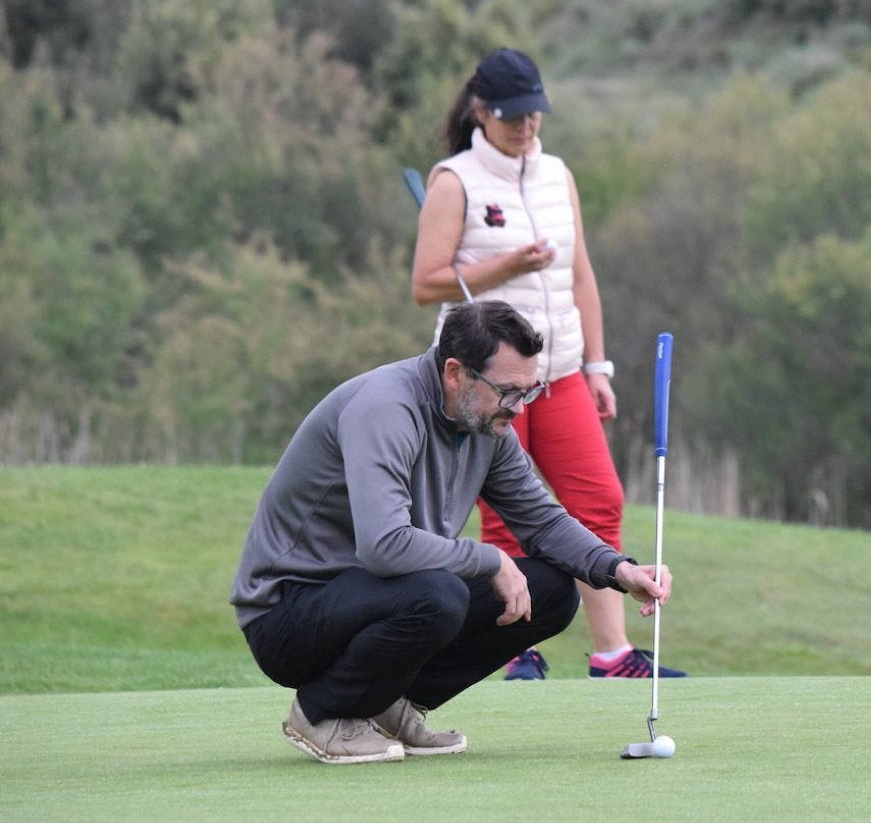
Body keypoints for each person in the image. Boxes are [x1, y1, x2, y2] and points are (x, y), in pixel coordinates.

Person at [229, 301, 673, 764]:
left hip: (376, 598)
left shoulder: (488, 425)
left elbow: (542, 520)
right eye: (508, 392)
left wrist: (617, 569)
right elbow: (383, 546)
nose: (519, 409)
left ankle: (384, 705)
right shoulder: (385, 409)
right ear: (456, 373)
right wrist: (490, 559)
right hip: (288, 616)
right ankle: (324, 713)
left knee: (551, 592)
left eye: (529, 391)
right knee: (438, 594)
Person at [411, 47, 684, 680]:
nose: (527, 129)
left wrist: (597, 365)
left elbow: (580, 273)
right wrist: (509, 266)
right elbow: (427, 284)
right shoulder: (454, 180)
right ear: (483, 111)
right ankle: (513, 652)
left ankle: (612, 655)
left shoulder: (556, 173)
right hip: (488, 381)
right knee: (506, 518)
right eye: (514, 118)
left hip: (558, 372)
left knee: (598, 499)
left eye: (535, 116)